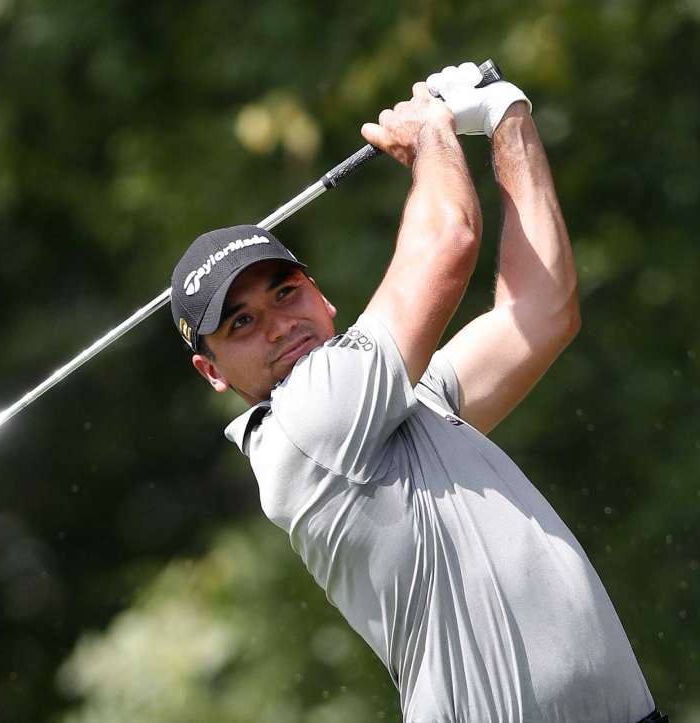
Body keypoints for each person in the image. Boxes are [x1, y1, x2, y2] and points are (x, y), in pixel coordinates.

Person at [169, 63, 664, 723]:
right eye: (241, 323)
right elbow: (449, 241)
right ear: (213, 372)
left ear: (322, 295)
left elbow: (545, 311)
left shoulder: (405, 400)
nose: (279, 323)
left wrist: (506, 120)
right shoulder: (302, 424)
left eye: (285, 291)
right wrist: (433, 130)